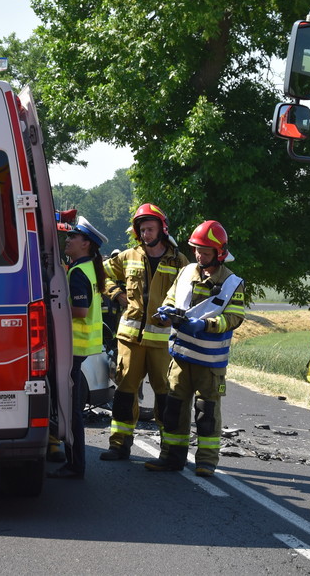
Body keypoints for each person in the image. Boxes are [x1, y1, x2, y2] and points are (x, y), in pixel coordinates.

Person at [145, 220, 245, 477]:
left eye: (206, 251)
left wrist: (205, 325)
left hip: (210, 363)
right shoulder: (187, 271)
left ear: (220, 253)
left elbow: (233, 318)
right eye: (197, 250)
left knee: (206, 413)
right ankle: (171, 457)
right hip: (180, 357)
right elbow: (171, 297)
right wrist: (166, 312)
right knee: (174, 410)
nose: (200, 255)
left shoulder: (233, 283)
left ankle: (207, 461)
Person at [99, 204, 189, 461]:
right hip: (130, 338)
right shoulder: (129, 256)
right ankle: (119, 445)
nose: (146, 234)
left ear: (163, 228)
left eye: (150, 229)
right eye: (142, 230)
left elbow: (190, 294)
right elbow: (101, 272)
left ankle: (169, 450)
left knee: (165, 396)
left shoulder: (179, 261)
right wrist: (115, 294)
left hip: (162, 342)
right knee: (125, 392)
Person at [48, 215, 108, 479]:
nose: (68, 240)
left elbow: (81, 311)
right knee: (70, 409)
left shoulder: (78, 272)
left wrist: (52, 310)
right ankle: (74, 463)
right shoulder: (87, 268)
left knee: (71, 412)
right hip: (80, 349)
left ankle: (75, 465)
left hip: (74, 347)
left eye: (73, 236)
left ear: (86, 244)